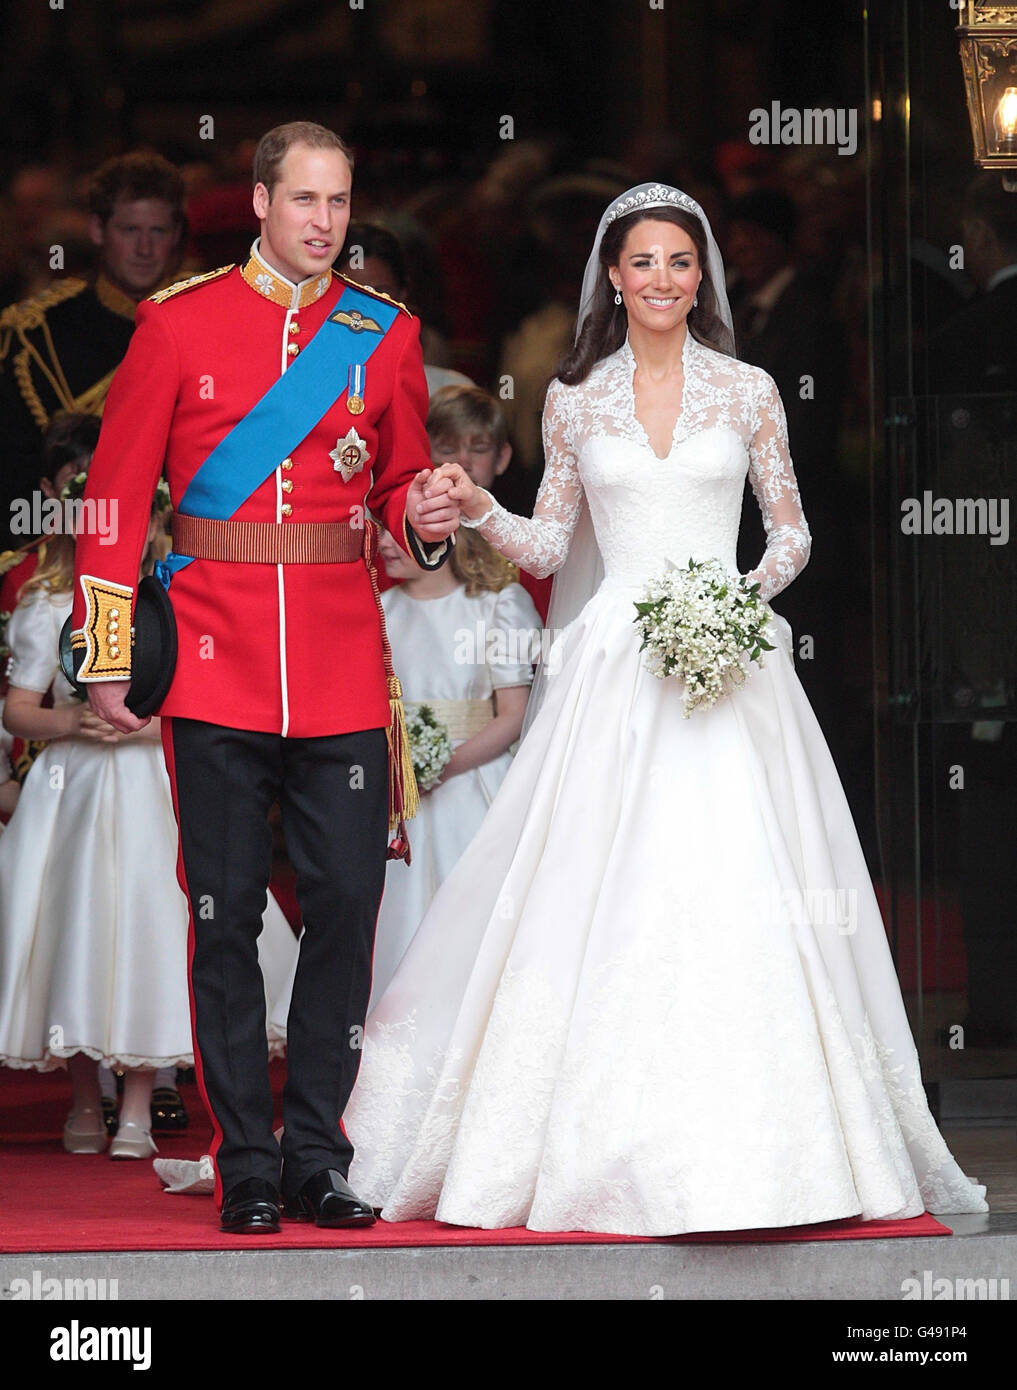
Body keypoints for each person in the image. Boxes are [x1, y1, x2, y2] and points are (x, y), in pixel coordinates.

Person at [341, 183, 988, 1235]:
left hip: (729, 661)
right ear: (613, 275)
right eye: (642, 262)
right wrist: (482, 504)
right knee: (594, 893)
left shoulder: (748, 389)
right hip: (612, 669)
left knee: (742, 886)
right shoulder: (574, 397)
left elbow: (791, 533)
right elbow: (554, 547)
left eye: (680, 263)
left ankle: (780, 1153)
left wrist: (732, 606)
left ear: (703, 277)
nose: (661, 279)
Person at [69, 121, 459, 1235]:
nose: (325, 223)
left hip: (337, 663)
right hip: (211, 663)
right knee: (225, 912)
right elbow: (112, 496)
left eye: (339, 202)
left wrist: (421, 516)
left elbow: (397, 483)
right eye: (305, 202)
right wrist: (107, 654)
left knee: (347, 905)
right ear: (258, 202)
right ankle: (245, 1157)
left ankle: (316, 1155)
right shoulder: (177, 323)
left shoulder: (382, 335)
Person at [0, 466, 297, 1159]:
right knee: (74, 932)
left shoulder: (173, 599)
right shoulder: (48, 605)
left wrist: (146, 722)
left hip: (152, 781)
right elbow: (19, 707)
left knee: (151, 928)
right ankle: (83, 1096)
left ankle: (137, 1100)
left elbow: (212, 688)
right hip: (70, 790)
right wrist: (71, 719)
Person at [0, 153, 187, 547]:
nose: (144, 247)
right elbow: (16, 474)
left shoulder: (203, 318)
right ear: (98, 230)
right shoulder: (38, 335)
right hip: (59, 550)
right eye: (129, 229)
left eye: (158, 231)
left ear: (175, 237)